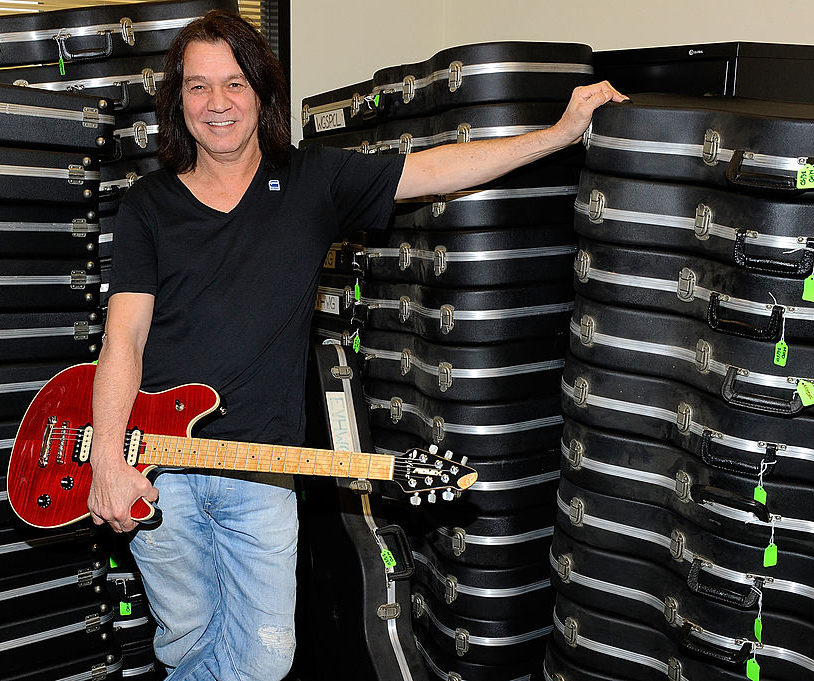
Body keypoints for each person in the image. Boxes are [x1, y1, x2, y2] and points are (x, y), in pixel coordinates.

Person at [87, 9, 625, 681]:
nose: (217, 103)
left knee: (261, 656)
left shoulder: (314, 180)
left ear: (261, 92)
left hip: (258, 468)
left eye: (233, 83)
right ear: (177, 101)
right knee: (187, 639)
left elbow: (431, 170)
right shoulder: (148, 204)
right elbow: (124, 339)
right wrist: (107, 454)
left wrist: (557, 134)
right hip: (154, 467)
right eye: (198, 87)